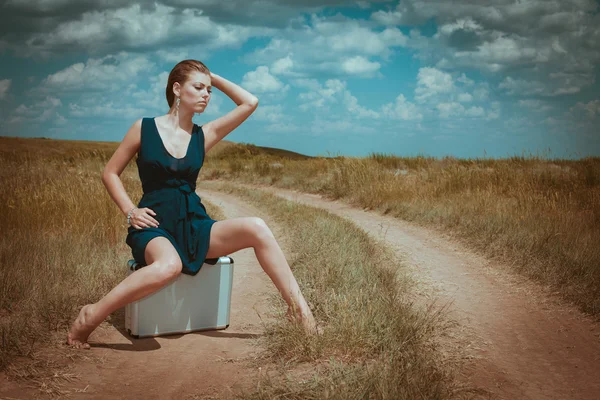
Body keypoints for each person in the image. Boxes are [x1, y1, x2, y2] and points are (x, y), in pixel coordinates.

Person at [67, 60, 318, 349]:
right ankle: (90, 315)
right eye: (198, 87)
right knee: (168, 266)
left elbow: (250, 102)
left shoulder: (204, 134)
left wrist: (212, 76)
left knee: (257, 228)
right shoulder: (144, 128)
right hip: (154, 225)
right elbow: (110, 173)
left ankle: (301, 313)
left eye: (209, 90)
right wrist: (130, 211)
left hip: (194, 224)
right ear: (177, 88)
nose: (206, 94)